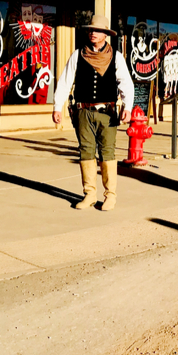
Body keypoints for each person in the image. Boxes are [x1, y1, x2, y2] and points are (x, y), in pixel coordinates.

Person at [52, 15, 133, 211]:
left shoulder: (117, 57)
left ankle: (110, 196)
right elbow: (65, 81)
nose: (93, 33)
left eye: (97, 30)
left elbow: (126, 84)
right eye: (90, 30)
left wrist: (128, 107)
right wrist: (57, 106)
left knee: (107, 152)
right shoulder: (78, 54)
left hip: (107, 113)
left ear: (106, 34)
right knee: (86, 152)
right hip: (83, 111)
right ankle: (89, 194)